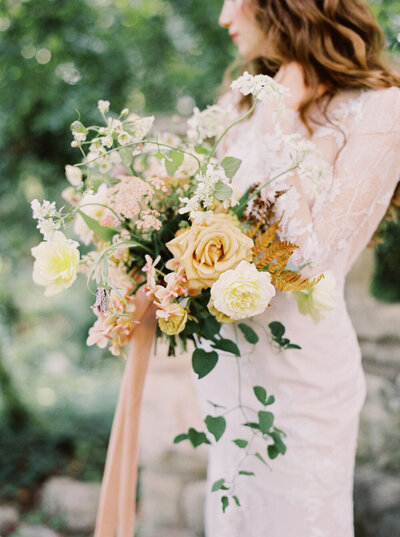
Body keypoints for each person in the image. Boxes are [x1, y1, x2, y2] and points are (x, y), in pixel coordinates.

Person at [195, 1, 400, 536]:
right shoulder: (238, 100)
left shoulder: (382, 110)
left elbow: (313, 265)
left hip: (305, 384)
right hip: (229, 373)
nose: (222, 16)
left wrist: (283, 118)